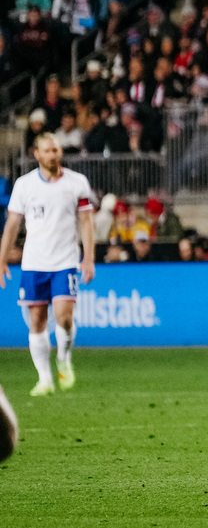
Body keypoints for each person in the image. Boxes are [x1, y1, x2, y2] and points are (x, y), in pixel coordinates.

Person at [0, 133, 96, 395]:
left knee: (64, 317)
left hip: (65, 261)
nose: (53, 154)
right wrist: (1, 259)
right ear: (37, 154)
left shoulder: (77, 183)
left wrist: (88, 257)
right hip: (34, 263)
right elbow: (12, 224)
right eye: (48, 150)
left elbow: (87, 222)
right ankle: (45, 379)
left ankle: (64, 359)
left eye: (56, 150)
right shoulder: (24, 185)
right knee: (37, 321)